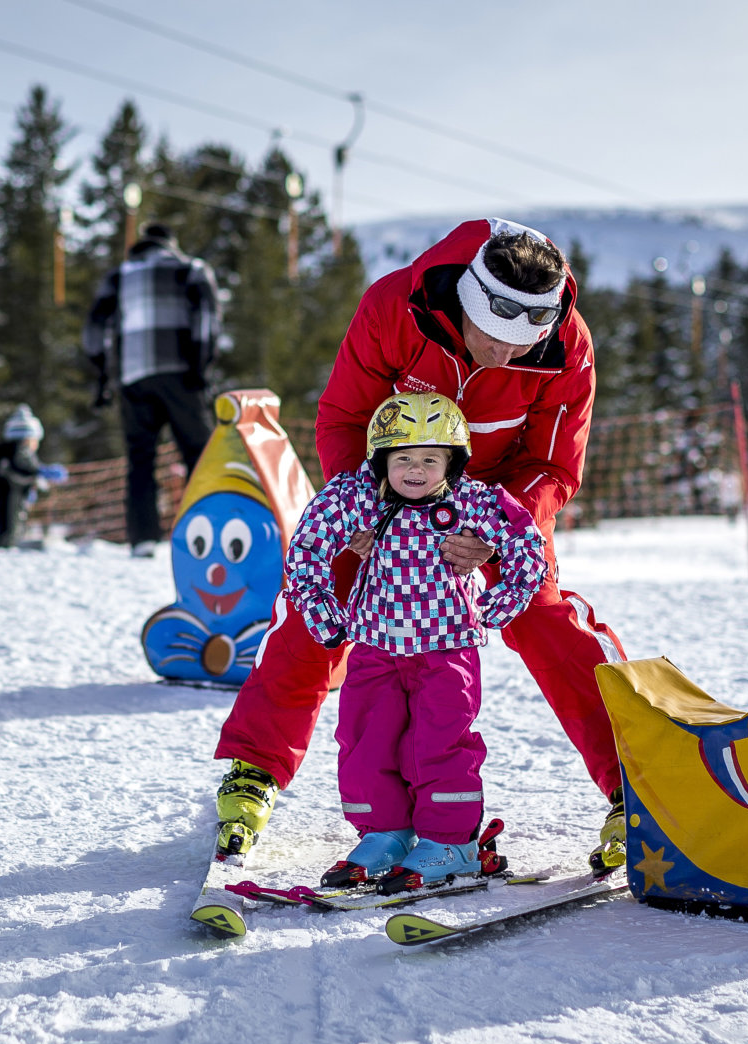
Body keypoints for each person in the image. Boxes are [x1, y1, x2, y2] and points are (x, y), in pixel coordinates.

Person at [213, 219, 631, 873]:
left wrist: (495, 529)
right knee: (324, 598)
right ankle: (254, 771)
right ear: (465, 300)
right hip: (384, 490)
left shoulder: (567, 347)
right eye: (491, 338)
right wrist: (365, 513)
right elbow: (346, 417)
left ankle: (634, 783)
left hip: (496, 502)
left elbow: (554, 466)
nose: (503, 357)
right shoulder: (392, 308)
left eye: (523, 347)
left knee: (542, 614)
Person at [285, 392, 546, 892]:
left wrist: (502, 603)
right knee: (365, 742)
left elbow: (526, 547)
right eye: (403, 458)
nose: (416, 470)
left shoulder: (470, 499)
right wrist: (322, 612)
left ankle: (450, 841)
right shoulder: (356, 497)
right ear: (382, 460)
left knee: (439, 742)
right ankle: (385, 832)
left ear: (453, 461)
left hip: (446, 649)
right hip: (375, 648)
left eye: (431, 459)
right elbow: (307, 547)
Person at [82, 222, 219, 558]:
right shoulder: (190, 267)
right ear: (171, 244)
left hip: (133, 377)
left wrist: (102, 375)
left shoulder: (119, 275)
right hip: (180, 374)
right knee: (200, 455)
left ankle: (143, 539)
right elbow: (207, 316)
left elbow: (94, 327)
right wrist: (201, 365)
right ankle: (207, 535)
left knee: (140, 459)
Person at [0, 404, 46, 549]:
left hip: (5, 493)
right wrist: (38, 475)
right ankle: (9, 542)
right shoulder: (21, 451)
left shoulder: (5, 452)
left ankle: (8, 541)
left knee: (7, 521)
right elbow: (26, 469)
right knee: (12, 521)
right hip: (13, 493)